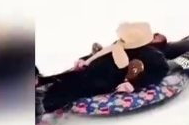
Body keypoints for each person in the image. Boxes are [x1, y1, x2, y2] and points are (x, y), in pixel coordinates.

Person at [37, 22, 169, 113]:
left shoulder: (150, 54)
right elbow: (103, 53)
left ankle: (41, 105)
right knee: (68, 77)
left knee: (72, 88)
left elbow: (161, 69)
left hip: (105, 80)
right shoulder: (120, 44)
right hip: (93, 69)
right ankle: (40, 83)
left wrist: (134, 84)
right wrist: (85, 59)